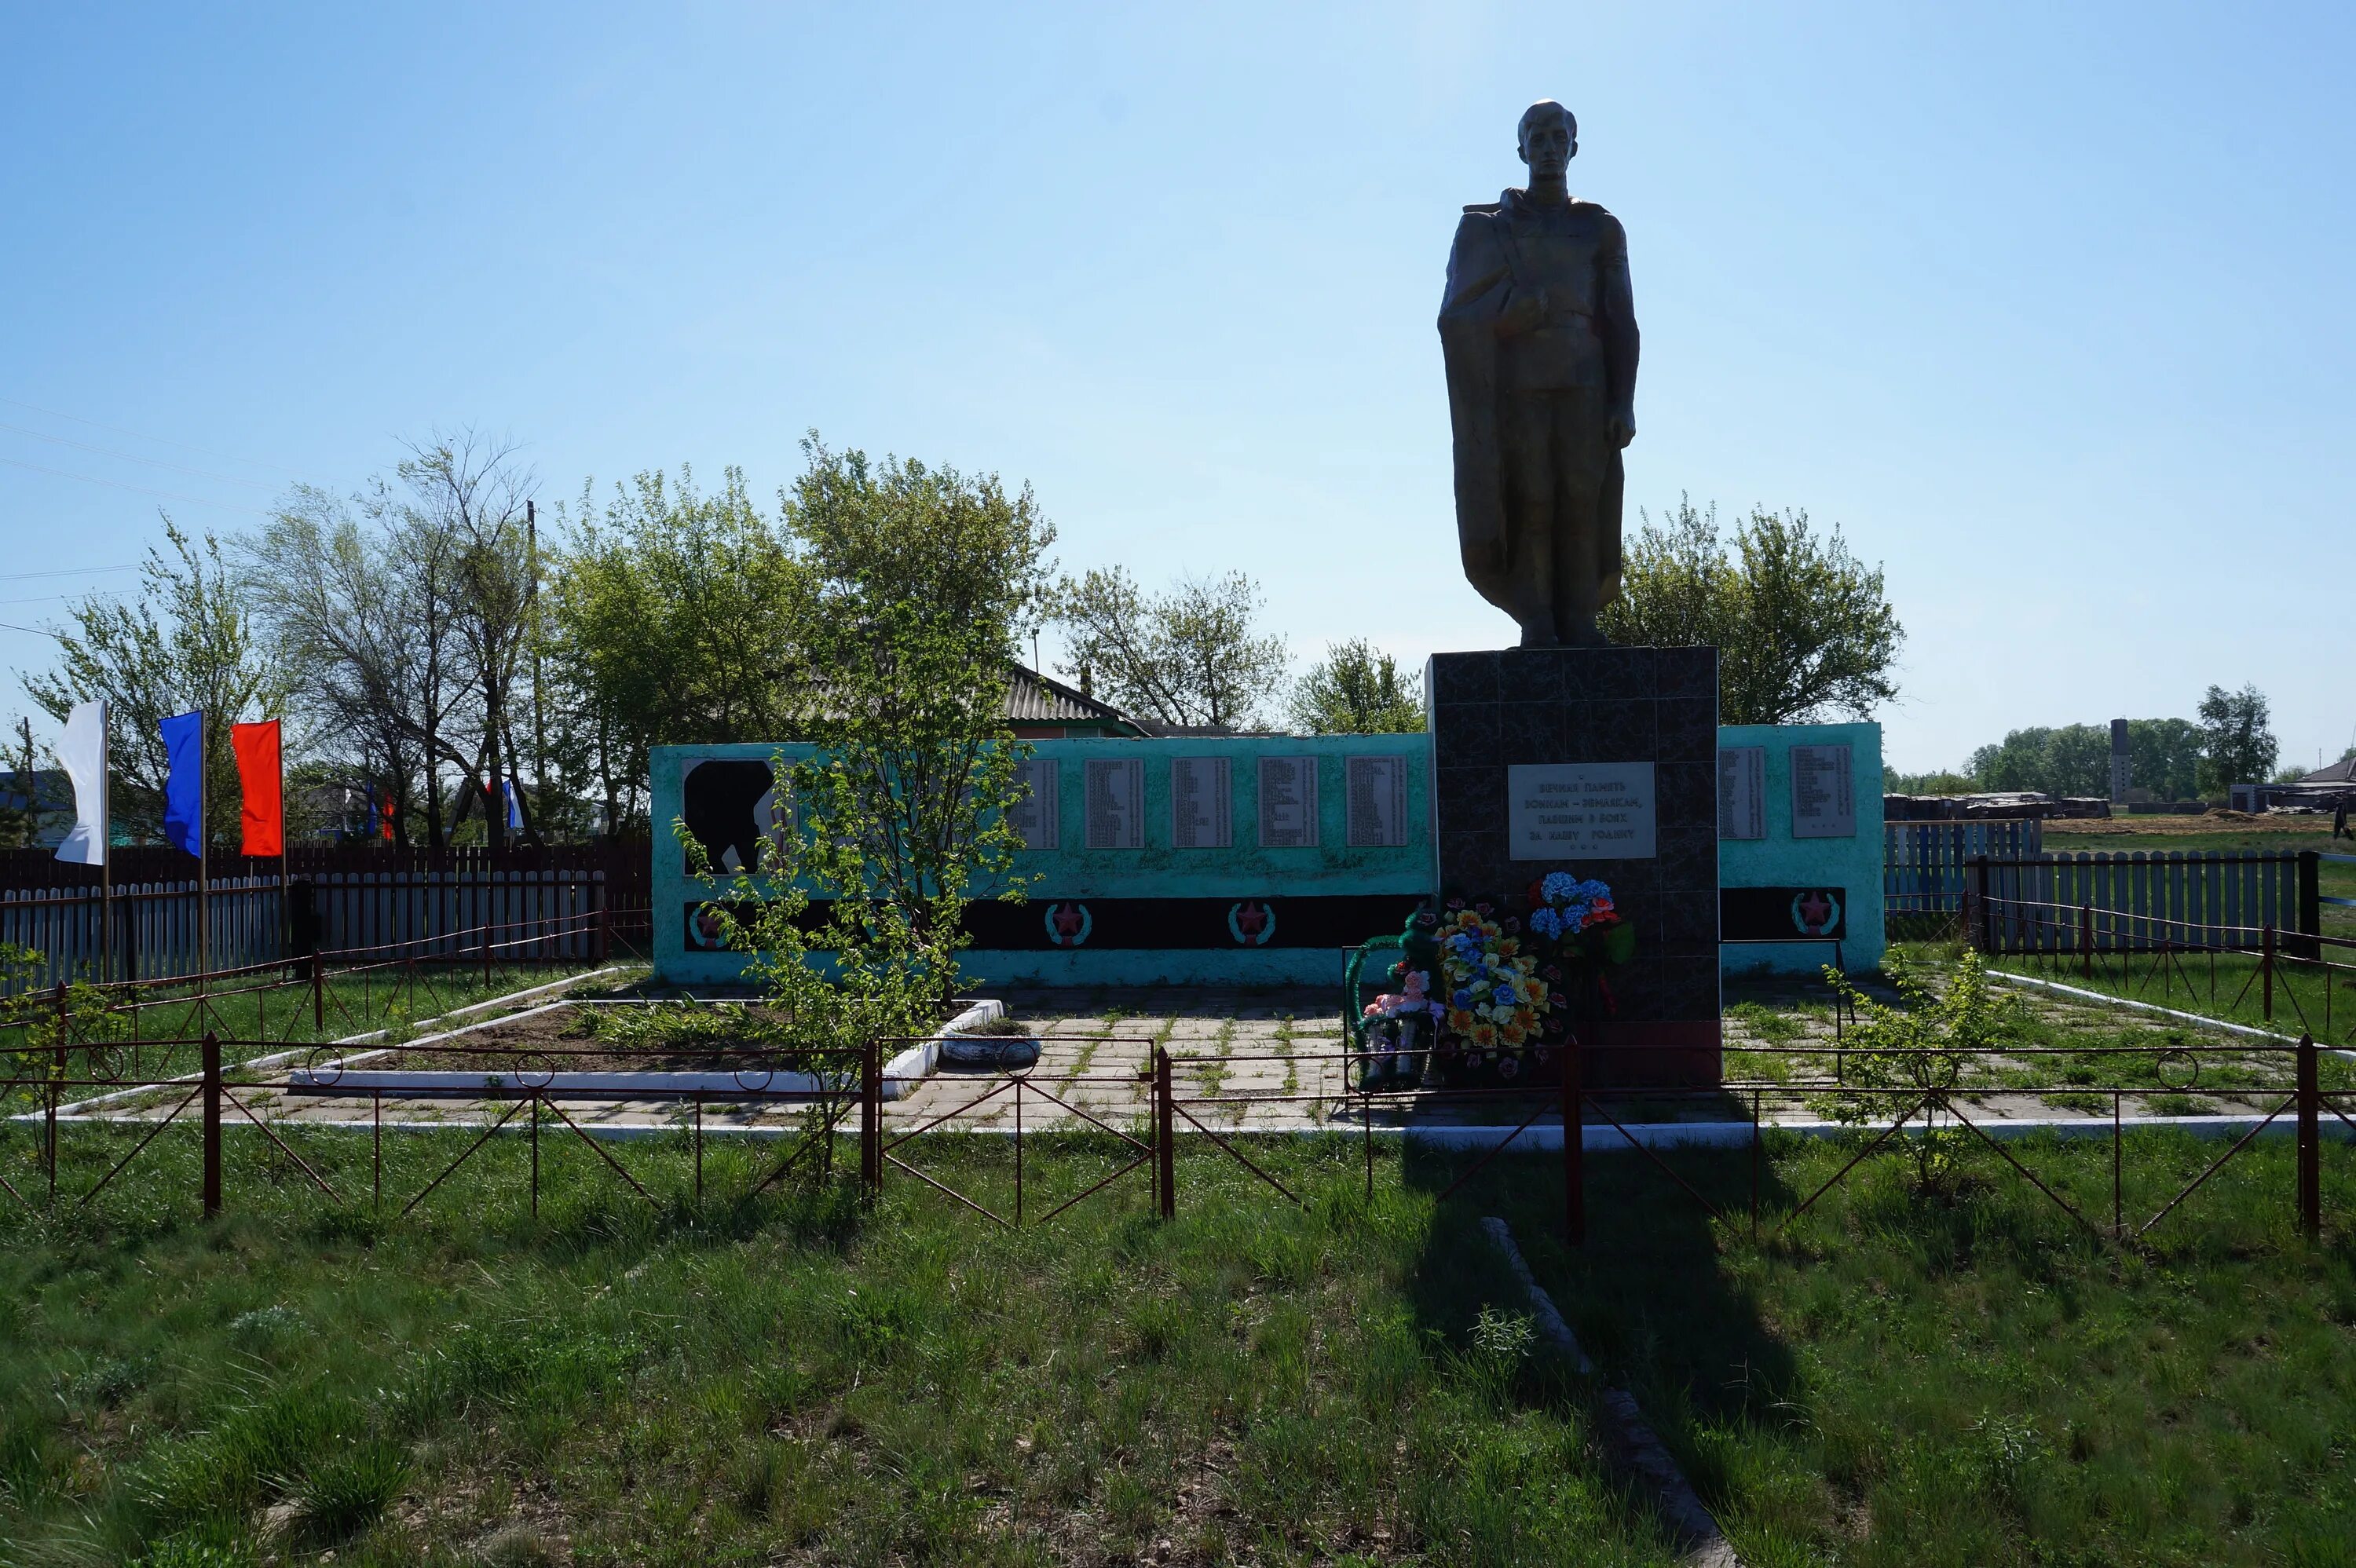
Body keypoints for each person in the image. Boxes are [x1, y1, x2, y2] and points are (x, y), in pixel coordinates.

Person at [1439, 101, 1641, 647]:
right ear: (1521, 148)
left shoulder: (1600, 228)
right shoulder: (1491, 230)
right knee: (1531, 500)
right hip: (1521, 386)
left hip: (1587, 385)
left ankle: (1578, 617)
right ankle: (1538, 622)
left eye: (1559, 136)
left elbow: (1622, 321)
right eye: (1537, 136)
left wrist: (1623, 401)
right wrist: (1508, 320)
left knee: (1582, 500)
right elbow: (1457, 317)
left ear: (1573, 147)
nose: (1548, 147)